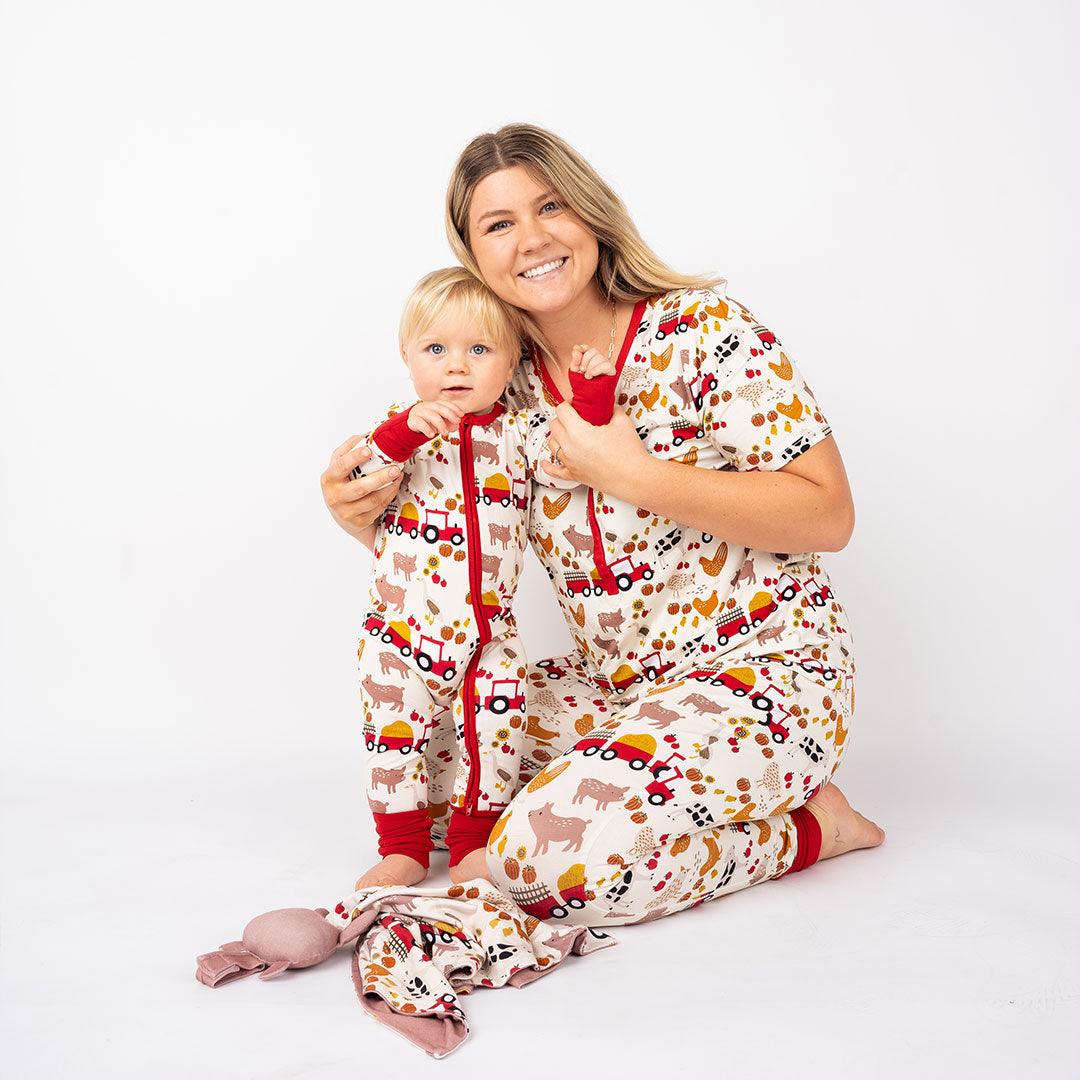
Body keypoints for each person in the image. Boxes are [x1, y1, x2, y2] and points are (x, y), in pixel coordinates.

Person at [323, 124, 884, 918]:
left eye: (551, 206)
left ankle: (816, 826)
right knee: (436, 785)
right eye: (499, 224)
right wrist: (356, 513)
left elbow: (830, 514)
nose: (534, 238)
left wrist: (632, 473)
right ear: (473, 255)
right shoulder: (492, 377)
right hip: (614, 688)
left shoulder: (702, 330)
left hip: (768, 673)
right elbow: (455, 536)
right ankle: (638, 781)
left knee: (540, 867)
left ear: (589, 214)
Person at [349, 266, 620, 892]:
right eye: (436, 350)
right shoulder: (404, 428)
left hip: (489, 631)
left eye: (479, 350)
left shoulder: (519, 435)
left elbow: (569, 464)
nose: (457, 367)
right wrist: (400, 431)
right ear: (407, 357)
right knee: (395, 737)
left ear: (511, 360)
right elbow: (364, 465)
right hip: (400, 632)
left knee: (496, 734)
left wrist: (593, 393)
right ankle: (404, 848)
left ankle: (473, 841)